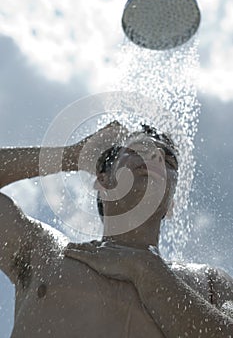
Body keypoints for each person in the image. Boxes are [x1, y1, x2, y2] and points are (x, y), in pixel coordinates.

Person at [0, 121, 232, 338]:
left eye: (168, 160)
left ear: (171, 205)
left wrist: (145, 269)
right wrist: (74, 155)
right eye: (138, 149)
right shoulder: (45, 253)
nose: (156, 155)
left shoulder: (210, 281)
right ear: (103, 181)